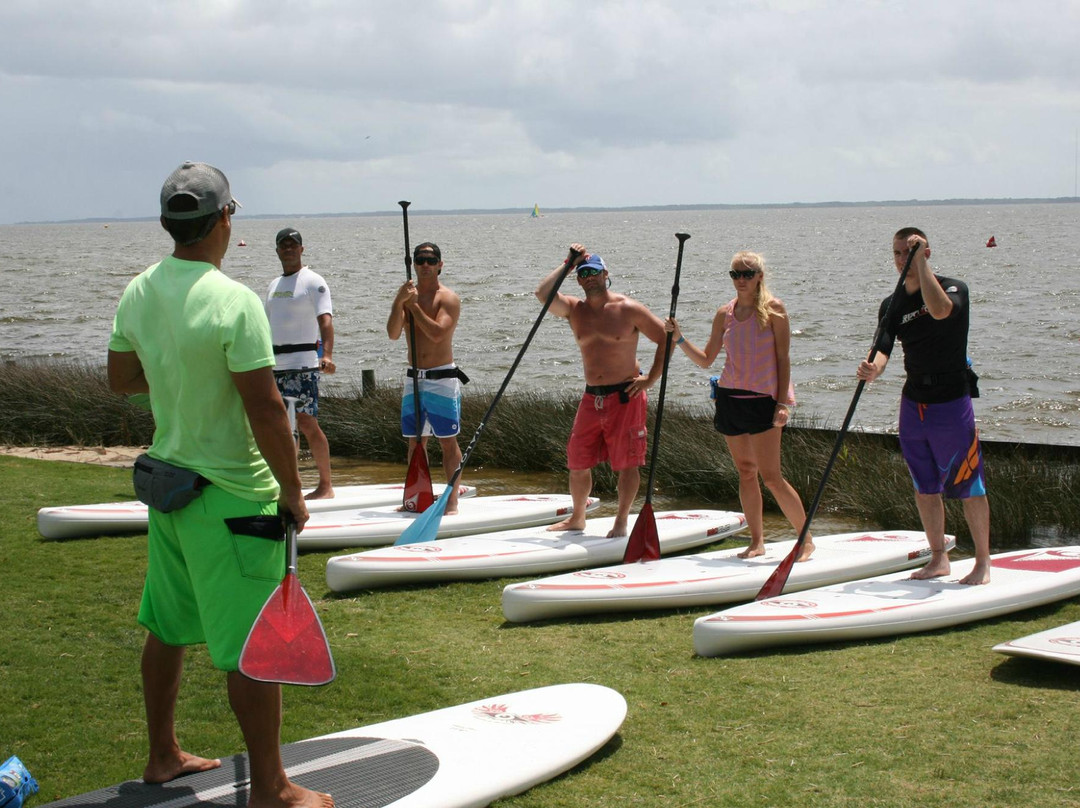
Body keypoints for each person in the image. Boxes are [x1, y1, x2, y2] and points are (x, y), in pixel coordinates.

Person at [107, 162, 333, 808]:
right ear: (226, 219)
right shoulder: (235, 301)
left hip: (169, 493)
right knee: (251, 647)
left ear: (167, 224)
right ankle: (272, 788)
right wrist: (294, 491)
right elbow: (266, 409)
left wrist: (182, 373)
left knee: (168, 627)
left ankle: (161, 755)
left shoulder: (138, 291)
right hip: (236, 501)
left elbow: (122, 377)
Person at [856, 227, 991, 585]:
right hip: (914, 401)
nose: (903, 260)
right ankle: (938, 559)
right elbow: (883, 346)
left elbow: (941, 311)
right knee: (924, 485)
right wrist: (874, 369)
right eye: (898, 253)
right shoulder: (892, 304)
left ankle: (982, 563)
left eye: (910, 252)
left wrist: (919, 264)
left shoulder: (952, 287)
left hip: (951, 400)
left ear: (927, 253)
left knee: (968, 483)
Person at [666, 250, 813, 560]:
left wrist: (783, 403)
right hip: (731, 399)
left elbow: (783, 358)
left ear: (760, 275)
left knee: (772, 476)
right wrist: (678, 339)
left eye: (747, 273)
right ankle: (756, 542)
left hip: (764, 402)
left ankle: (805, 539)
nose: (741, 280)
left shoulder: (775, 310)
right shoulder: (725, 314)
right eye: (735, 274)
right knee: (746, 471)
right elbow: (706, 360)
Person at [536, 244, 667, 538]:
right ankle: (578, 517)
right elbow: (542, 295)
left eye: (594, 272)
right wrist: (569, 263)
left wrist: (650, 379)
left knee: (627, 463)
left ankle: (621, 521)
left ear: (606, 274)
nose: (589, 278)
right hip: (591, 397)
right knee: (577, 460)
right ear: (578, 279)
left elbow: (665, 339)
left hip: (626, 395)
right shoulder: (574, 309)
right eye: (584, 274)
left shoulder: (628, 308)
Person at [386, 242, 465, 514]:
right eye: (420, 260)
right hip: (413, 379)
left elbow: (437, 334)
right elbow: (393, 333)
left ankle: (451, 501)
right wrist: (399, 302)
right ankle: (416, 498)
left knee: (447, 442)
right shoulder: (407, 297)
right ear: (414, 264)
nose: (426, 265)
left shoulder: (448, 298)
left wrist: (415, 307)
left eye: (431, 260)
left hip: (442, 378)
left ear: (440, 264)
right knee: (415, 441)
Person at [265, 227, 336, 499]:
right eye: (284, 245)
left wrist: (326, 355)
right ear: (278, 251)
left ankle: (325, 485)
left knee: (306, 423)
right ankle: (288, 485)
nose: (289, 249)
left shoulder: (313, 281)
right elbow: (265, 325)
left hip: (304, 365)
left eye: (293, 245)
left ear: (302, 249)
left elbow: (325, 321)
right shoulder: (274, 285)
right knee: (283, 427)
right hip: (275, 366)